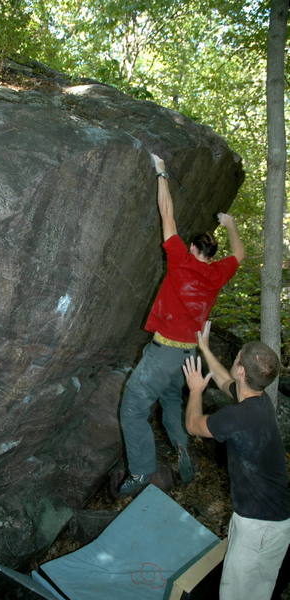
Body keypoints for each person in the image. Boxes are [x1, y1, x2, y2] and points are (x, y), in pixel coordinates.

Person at [118, 153, 245, 496]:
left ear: (192, 247)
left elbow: (167, 214)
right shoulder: (218, 274)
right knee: (172, 400)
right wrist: (230, 223)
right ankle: (182, 446)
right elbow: (241, 256)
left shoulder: (180, 260)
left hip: (164, 353)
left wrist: (161, 173)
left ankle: (142, 470)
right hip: (189, 355)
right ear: (212, 254)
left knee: (132, 407)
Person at [183, 321, 290, 600]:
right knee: (260, 592)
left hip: (257, 527)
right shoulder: (259, 400)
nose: (234, 361)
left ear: (241, 370)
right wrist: (204, 349)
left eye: (237, 357)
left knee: (236, 594)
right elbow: (225, 382)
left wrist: (195, 389)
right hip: (279, 521)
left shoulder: (237, 418)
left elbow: (194, 425)